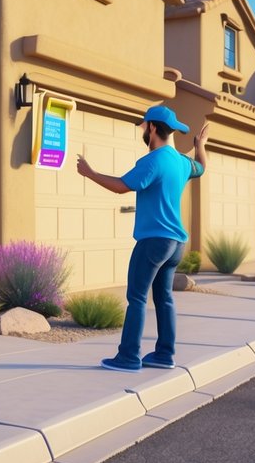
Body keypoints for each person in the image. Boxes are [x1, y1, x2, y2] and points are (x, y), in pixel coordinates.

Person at [75, 106, 209, 373]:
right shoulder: (181, 162)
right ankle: (164, 354)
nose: (141, 130)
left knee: (136, 297)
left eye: (143, 126)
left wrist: (90, 173)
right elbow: (202, 168)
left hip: (153, 242)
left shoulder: (153, 161)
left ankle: (128, 357)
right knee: (165, 297)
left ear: (152, 128)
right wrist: (200, 145)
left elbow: (122, 186)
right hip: (175, 244)